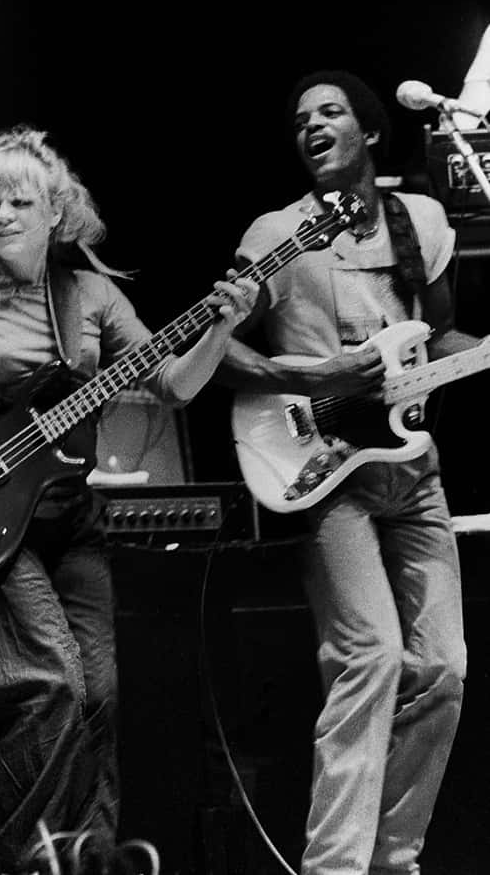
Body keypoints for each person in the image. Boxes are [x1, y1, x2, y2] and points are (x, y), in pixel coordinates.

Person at [0, 126, 257, 867]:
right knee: (51, 683)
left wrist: (222, 326)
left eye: (19, 201)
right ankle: (36, 858)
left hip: (68, 517)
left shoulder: (91, 296)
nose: (3, 216)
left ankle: (94, 856)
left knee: (102, 695)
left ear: (56, 212)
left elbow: (171, 384)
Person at [215, 71, 471, 874]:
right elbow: (212, 350)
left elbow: (445, 337)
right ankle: (333, 867)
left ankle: (393, 860)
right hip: (325, 476)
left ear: (367, 131)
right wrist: (318, 379)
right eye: (298, 121)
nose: (311, 127)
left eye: (329, 114)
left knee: (444, 669)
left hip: (411, 468)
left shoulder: (419, 221)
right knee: (371, 659)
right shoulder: (273, 234)